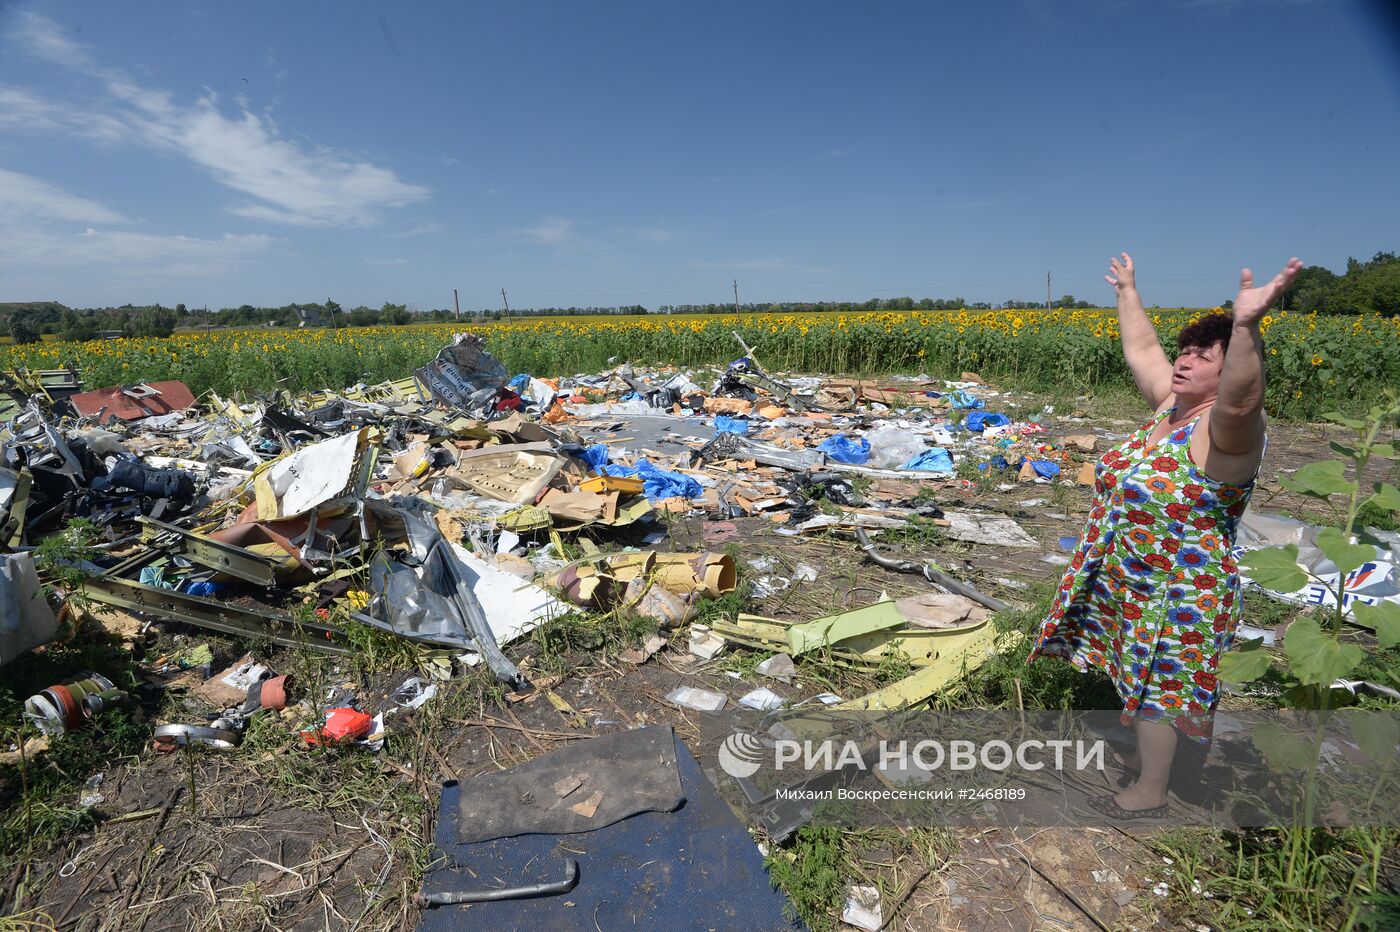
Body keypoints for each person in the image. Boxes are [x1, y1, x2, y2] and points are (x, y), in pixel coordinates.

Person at [1027, 252, 1303, 820]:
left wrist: (1245, 328)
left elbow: (1241, 400)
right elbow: (1145, 351)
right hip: (1135, 579)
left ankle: (1151, 792)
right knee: (1141, 679)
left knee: (1161, 693)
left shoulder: (1225, 433)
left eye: (1205, 357)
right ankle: (1165, 760)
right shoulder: (1171, 410)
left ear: (1227, 372)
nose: (1185, 362)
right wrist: (1128, 290)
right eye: (1186, 350)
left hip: (1182, 592)